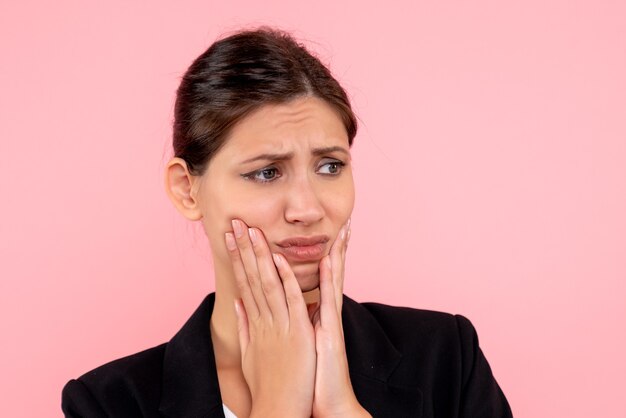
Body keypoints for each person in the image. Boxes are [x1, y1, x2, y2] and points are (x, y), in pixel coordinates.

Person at [61, 27, 513, 418]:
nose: (308, 209)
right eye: (266, 172)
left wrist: (341, 409)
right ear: (186, 189)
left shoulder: (447, 358)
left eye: (330, 166)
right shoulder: (108, 403)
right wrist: (278, 406)